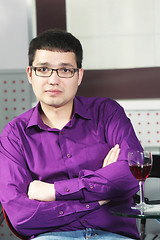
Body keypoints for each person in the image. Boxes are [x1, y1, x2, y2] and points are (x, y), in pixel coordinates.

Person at [0, 29, 143, 240]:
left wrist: (54, 192)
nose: (53, 80)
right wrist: (99, 196)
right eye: (43, 69)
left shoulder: (107, 113)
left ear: (79, 75)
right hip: (51, 237)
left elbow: (132, 173)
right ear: (30, 74)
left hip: (114, 235)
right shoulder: (14, 134)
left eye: (65, 70)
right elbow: (21, 216)